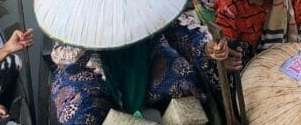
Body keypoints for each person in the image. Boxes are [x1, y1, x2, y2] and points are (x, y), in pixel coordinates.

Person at [50, 17, 211, 123]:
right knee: (81, 117)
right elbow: (63, 59)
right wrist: (86, 42)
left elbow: (178, 26)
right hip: (92, 73)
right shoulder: (78, 10)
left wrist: (207, 47)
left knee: (184, 80)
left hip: (146, 60)